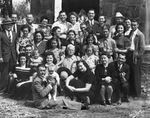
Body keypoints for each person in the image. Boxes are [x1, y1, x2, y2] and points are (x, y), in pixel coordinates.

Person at [126, 19, 145, 99]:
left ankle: (137, 93)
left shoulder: (140, 35)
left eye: (135, 25)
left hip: (135, 55)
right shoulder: (131, 33)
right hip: (130, 54)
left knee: (136, 74)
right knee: (130, 74)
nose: (133, 26)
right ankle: (131, 92)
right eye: (132, 25)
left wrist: (138, 56)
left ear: (138, 25)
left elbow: (142, 48)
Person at [0, 18, 17, 91]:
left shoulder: (14, 34)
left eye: (10, 24)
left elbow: (15, 45)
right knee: (4, 73)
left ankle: (10, 89)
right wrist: (0, 56)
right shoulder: (1, 34)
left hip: (13, 56)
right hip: (4, 56)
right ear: (4, 26)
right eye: (7, 25)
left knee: (12, 72)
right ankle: (2, 88)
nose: (9, 26)